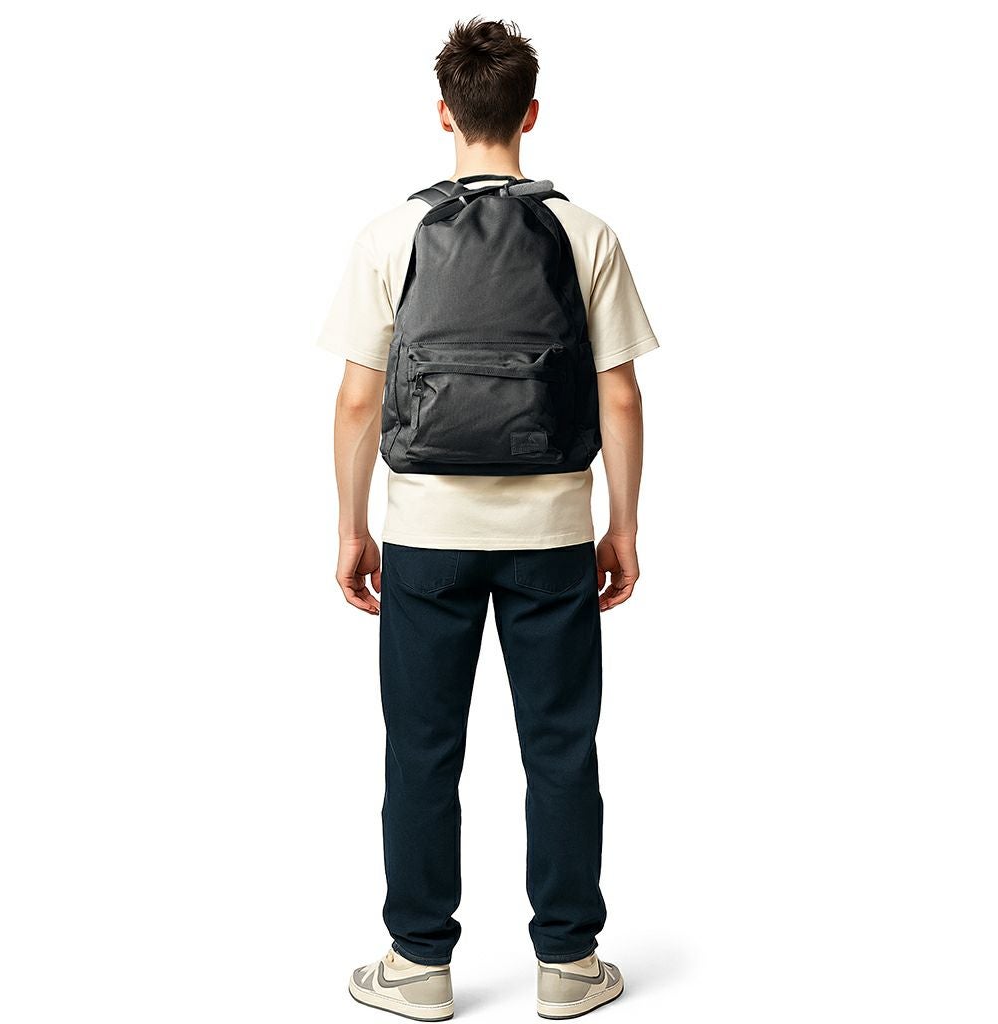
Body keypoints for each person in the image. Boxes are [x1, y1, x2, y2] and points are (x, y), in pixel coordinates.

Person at [316, 17, 658, 1021]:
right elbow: (621, 395)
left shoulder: (389, 234)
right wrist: (623, 524)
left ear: (444, 114)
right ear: (530, 114)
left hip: (425, 536)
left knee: (422, 751)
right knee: (561, 747)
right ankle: (569, 963)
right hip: (552, 533)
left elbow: (356, 399)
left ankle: (418, 964)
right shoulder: (585, 233)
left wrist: (352, 527)